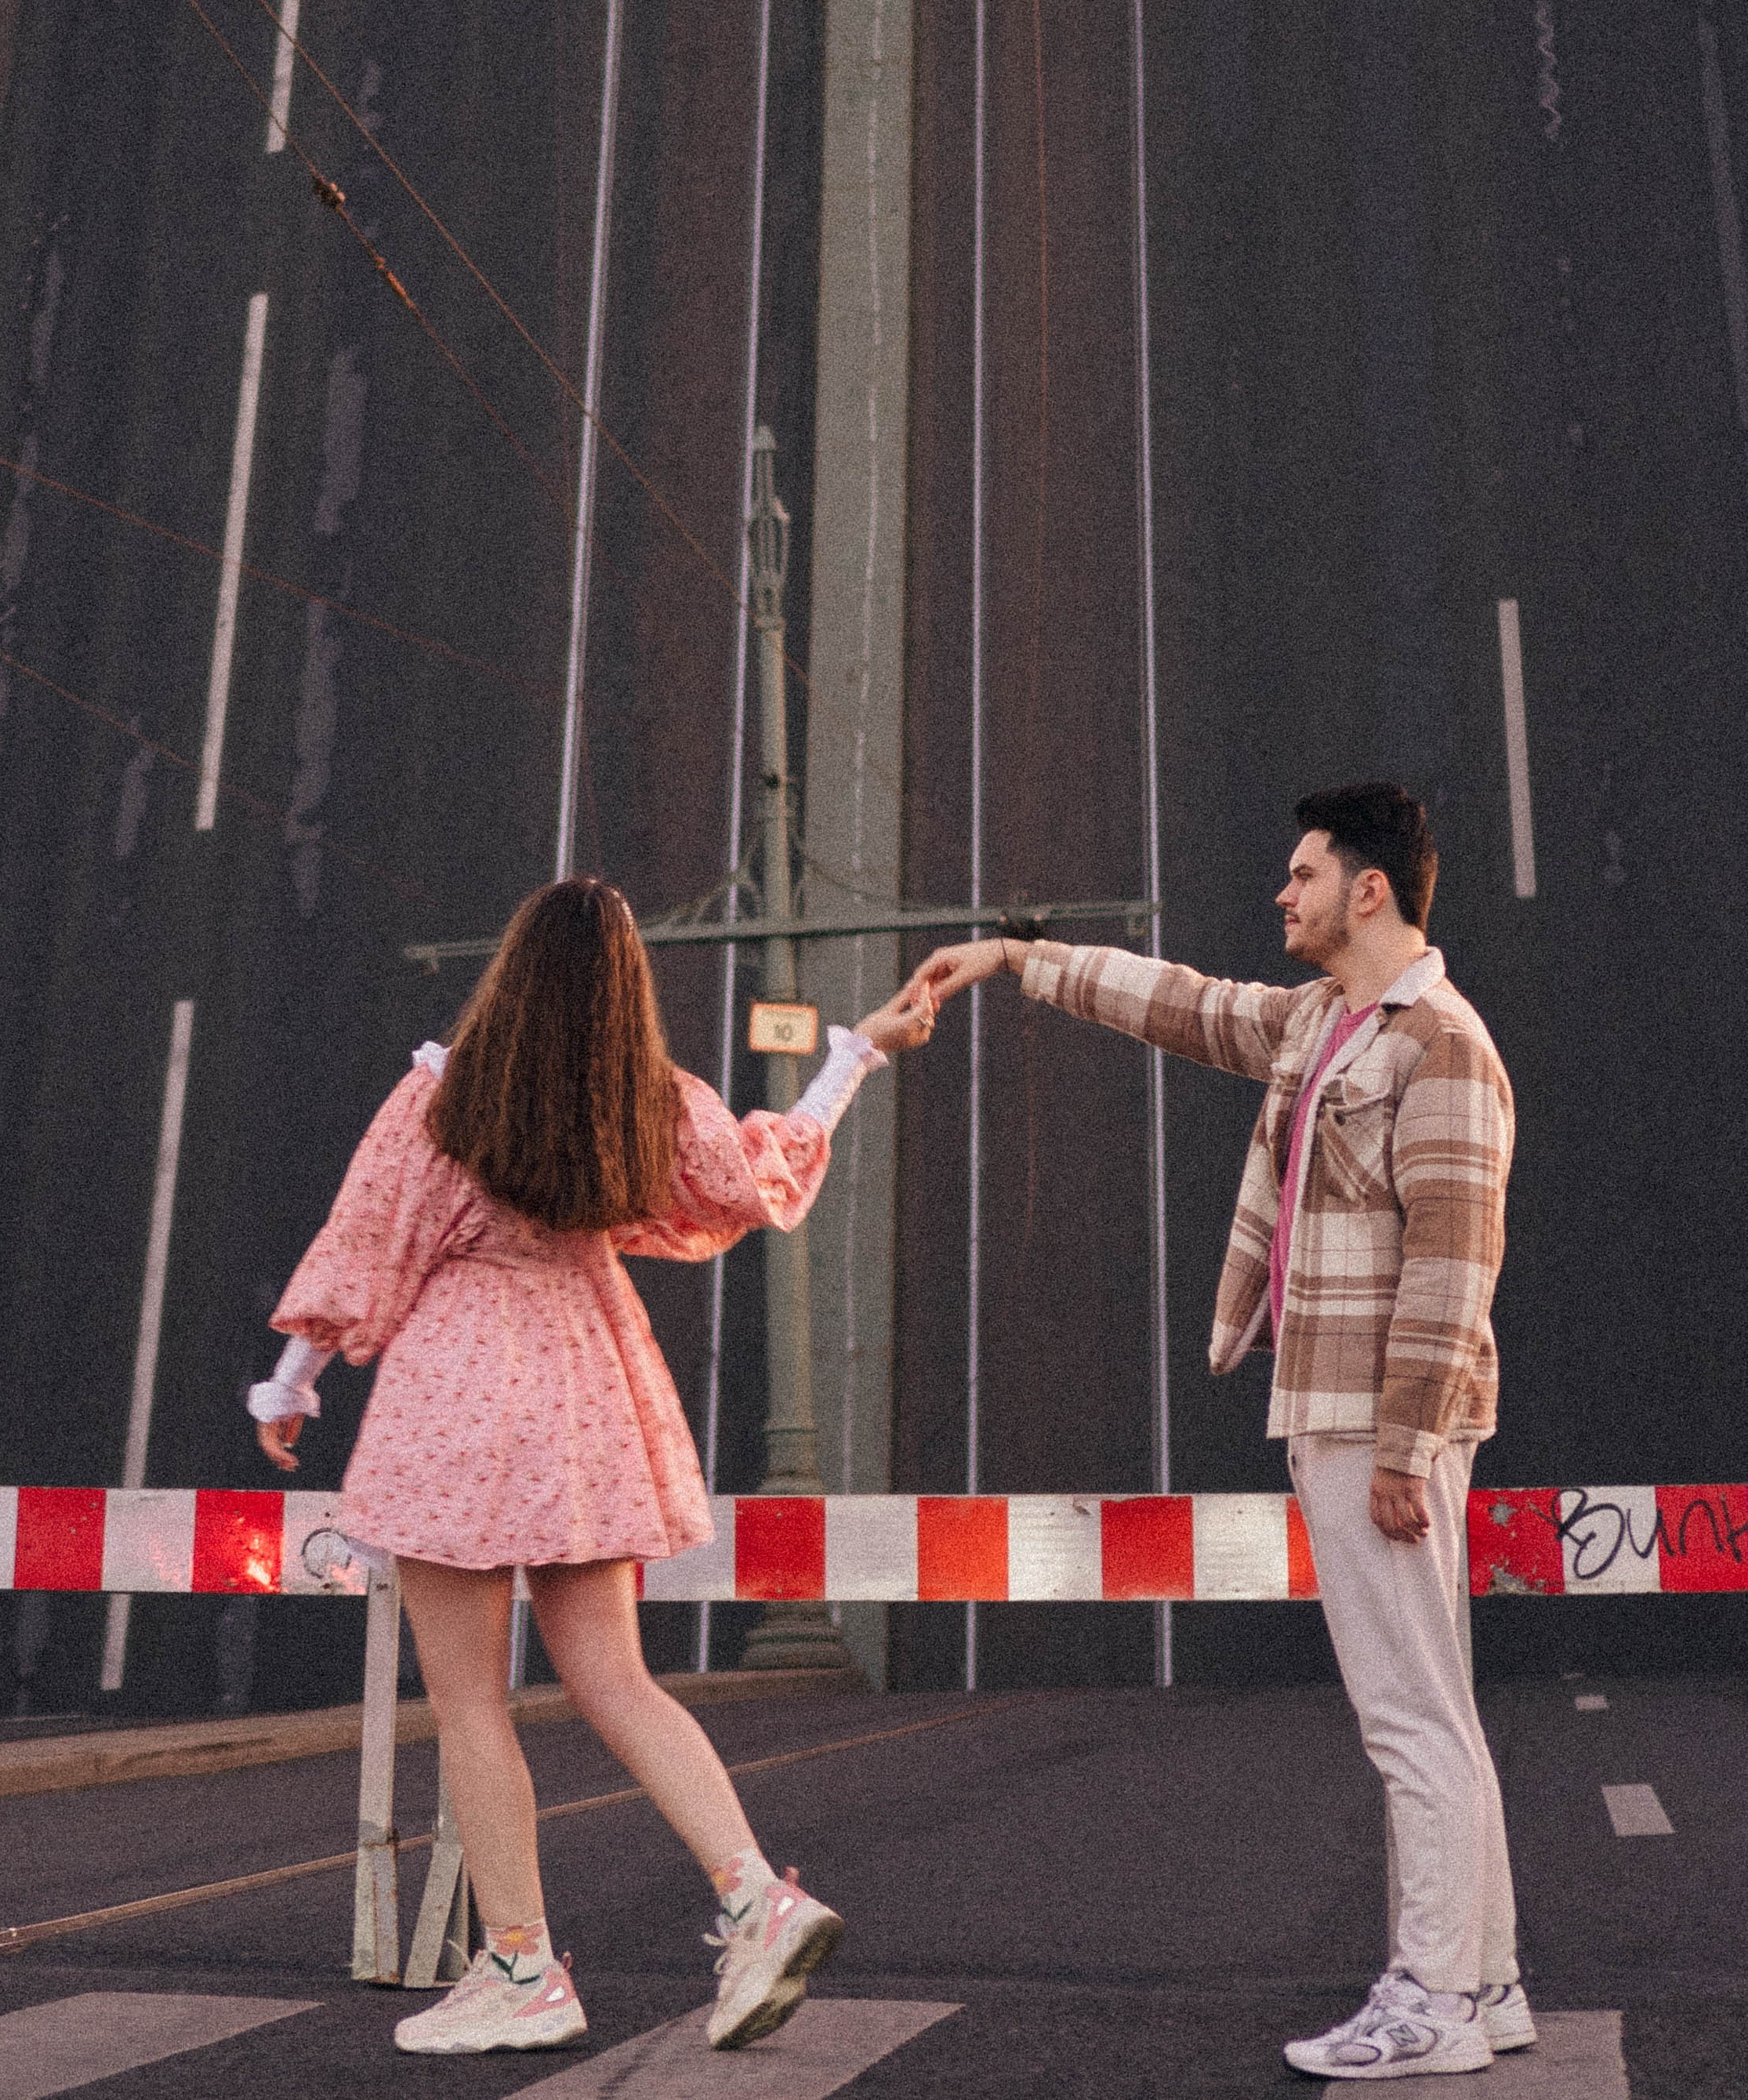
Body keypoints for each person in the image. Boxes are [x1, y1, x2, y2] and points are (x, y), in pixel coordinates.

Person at [248, 874, 935, 2058]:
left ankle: (521, 1962)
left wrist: (290, 1385)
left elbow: (368, 1241)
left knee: (470, 1698)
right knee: (617, 1681)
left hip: (458, 1397)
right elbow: (758, 1178)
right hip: (585, 1385)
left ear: (510, 971)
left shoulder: (442, 1093)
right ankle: (758, 1899)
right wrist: (855, 1056)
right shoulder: (648, 1103)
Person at [923, 785, 1527, 2084]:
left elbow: (1453, 1265)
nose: (1282, 893)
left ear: (1370, 889)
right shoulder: (1324, 1022)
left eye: (1302, 873)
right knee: (1436, 1712)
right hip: (1339, 1410)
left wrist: (1407, 1448)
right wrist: (1020, 959)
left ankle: (1433, 1996)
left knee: (1410, 1721)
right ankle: (1489, 1982)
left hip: (1379, 1423)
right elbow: (1178, 1001)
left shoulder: (1443, 1046)